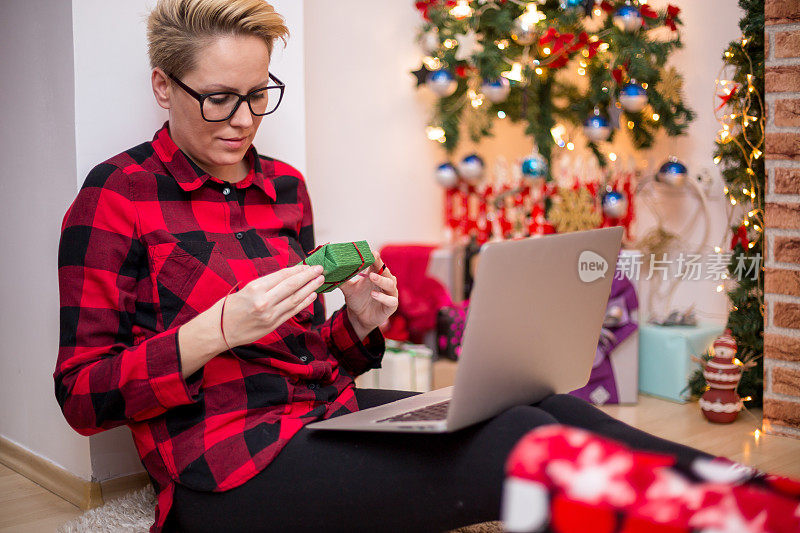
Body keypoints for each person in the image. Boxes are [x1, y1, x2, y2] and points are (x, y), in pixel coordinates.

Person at [54, 1, 713, 531]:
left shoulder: (284, 187)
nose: (244, 120)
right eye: (220, 98)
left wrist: (360, 323)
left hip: (327, 412)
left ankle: (742, 498)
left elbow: (317, 355)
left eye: (259, 95)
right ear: (163, 87)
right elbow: (83, 395)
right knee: (517, 443)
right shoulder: (115, 196)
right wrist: (218, 329)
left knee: (532, 400)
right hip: (224, 466)